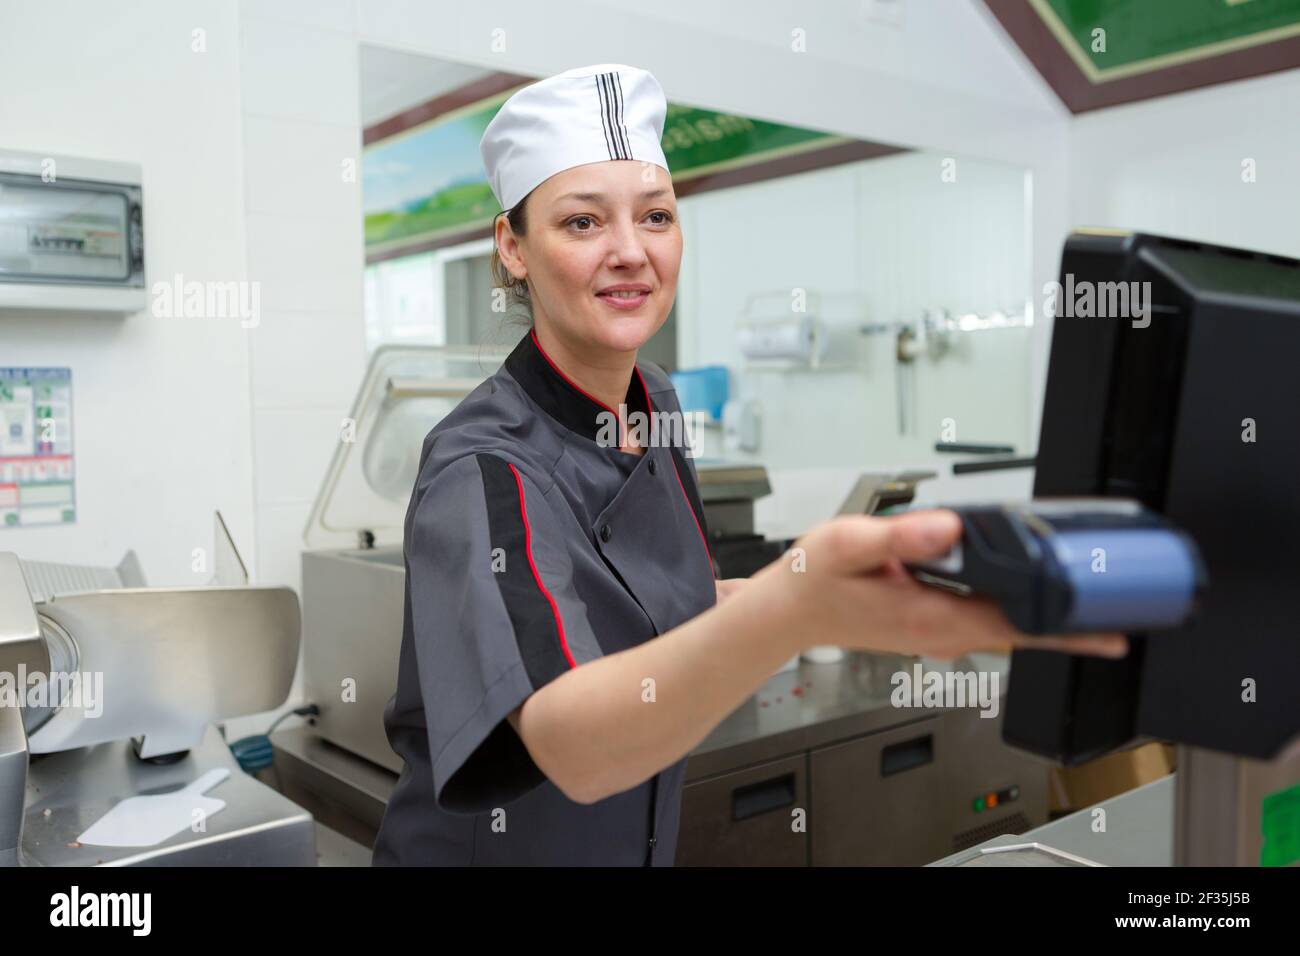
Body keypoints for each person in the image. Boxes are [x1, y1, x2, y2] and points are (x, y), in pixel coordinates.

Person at [370, 63, 1125, 866]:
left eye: (655, 216)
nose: (631, 251)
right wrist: (796, 606)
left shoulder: (655, 405)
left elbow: (681, 599)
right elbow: (568, 739)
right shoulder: (482, 464)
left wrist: (844, 594)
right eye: (583, 223)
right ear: (512, 248)